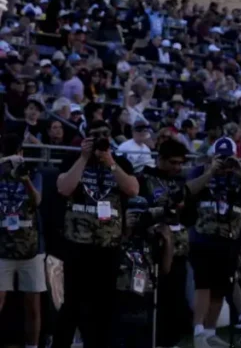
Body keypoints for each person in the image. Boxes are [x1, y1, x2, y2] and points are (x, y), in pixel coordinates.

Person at [53, 119, 140, 348]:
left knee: (104, 304)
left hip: (108, 245)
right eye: (95, 134)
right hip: (77, 244)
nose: (101, 138)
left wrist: (110, 162)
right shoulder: (74, 159)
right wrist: (83, 157)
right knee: (72, 302)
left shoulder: (120, 162)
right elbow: (64, 188)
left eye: (105, 134)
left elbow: (132, 189)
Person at [186, 137, 241, 345]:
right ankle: (198, 330)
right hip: (202, 236)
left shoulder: (240, 177)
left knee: (221, 287)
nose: (224, 162)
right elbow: (188, 190)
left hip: (229, 239)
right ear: (213, 156)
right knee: (203, 283)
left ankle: (210, 332)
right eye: (220, 157)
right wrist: (211, 171)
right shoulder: (201, 170)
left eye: (228, 157)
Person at [136, 139, 192, 348]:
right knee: (153, 300)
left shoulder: (180, 181)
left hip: (179, 248)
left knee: (175, 300)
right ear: (160, 159)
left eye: (180, 163)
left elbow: (189, 215)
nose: (177, 167)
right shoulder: (144, 178)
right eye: (173, 162)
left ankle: (171, 341)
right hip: (153, 248)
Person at [113, 185, 175, 348]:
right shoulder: (113, 234)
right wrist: (126, 231)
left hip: (144, 296)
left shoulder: (150, 237)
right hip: (119, 295)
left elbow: (165, 269)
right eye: (134, 214)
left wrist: (168, 242)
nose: (138, 218)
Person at [0, 135, 44, 348]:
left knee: (33, 305)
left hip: (30, 247)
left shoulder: (33, 173)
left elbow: (37, 201)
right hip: (2, 246)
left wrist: (24, 178)